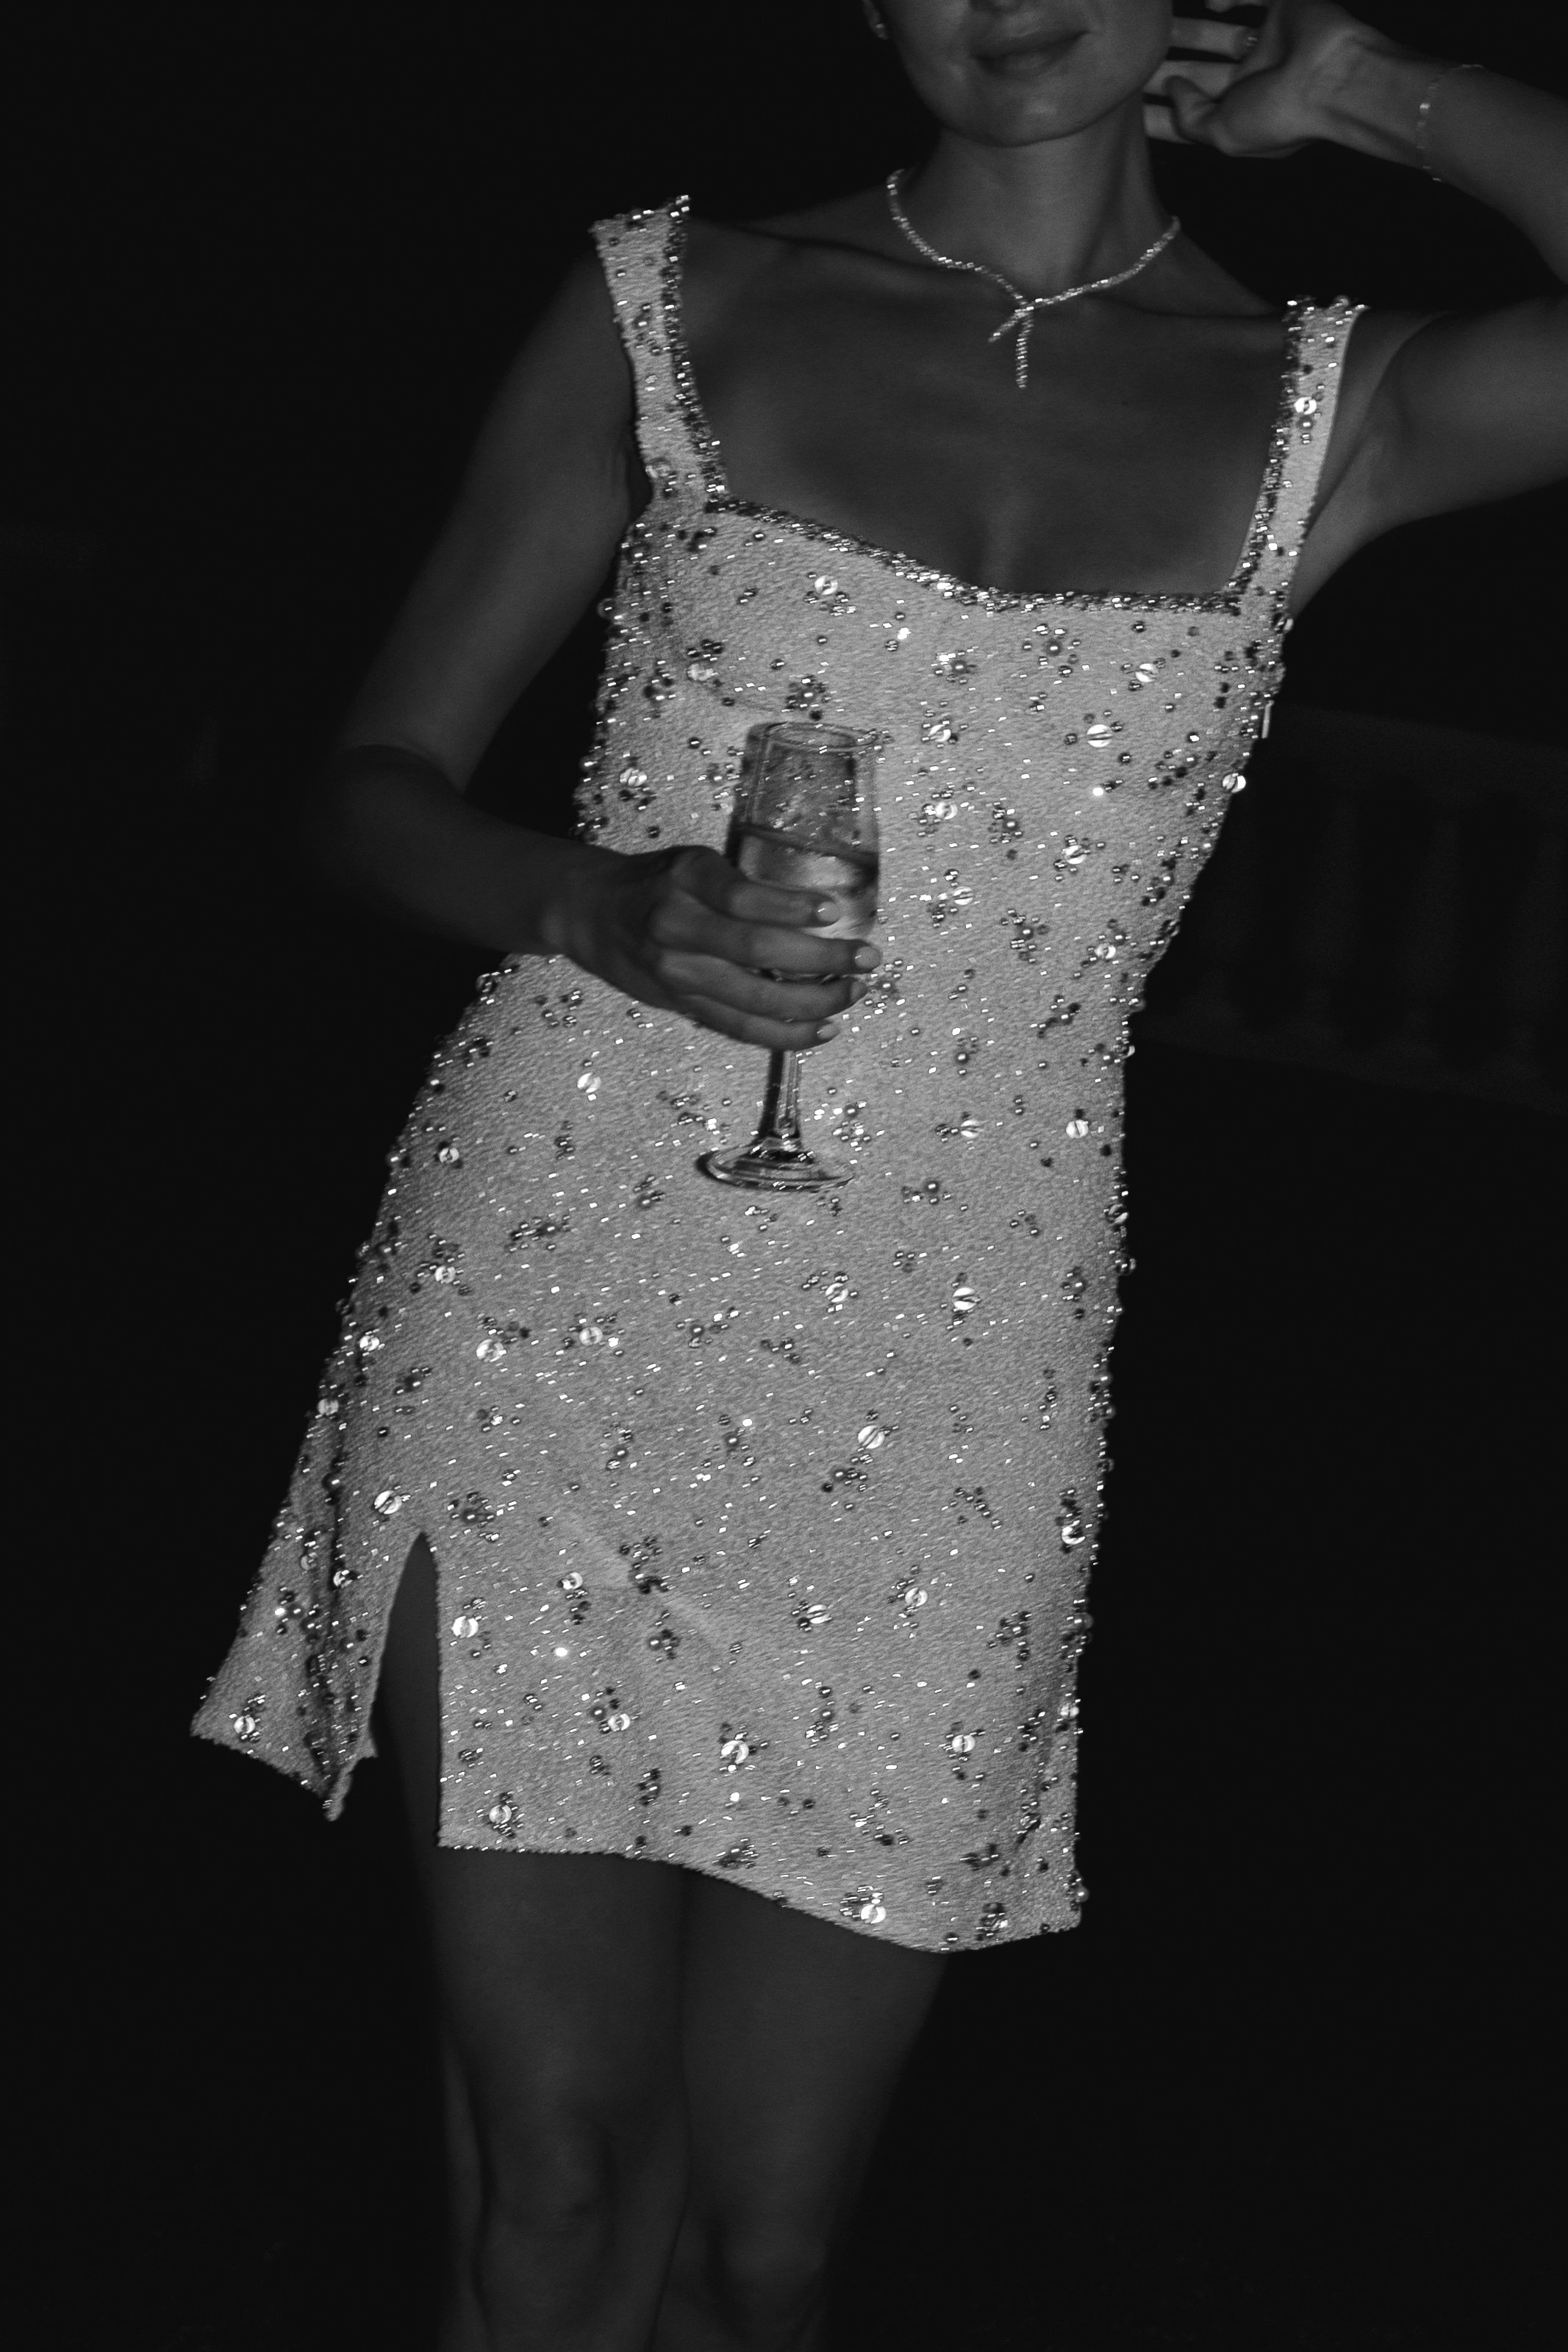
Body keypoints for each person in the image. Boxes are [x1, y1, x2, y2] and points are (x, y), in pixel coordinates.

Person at [193, 4, 1567, 2347]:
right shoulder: (680, 292)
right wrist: (591, 904)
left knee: (764, 2243)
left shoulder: (1341, 402)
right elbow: (362, 783)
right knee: (555, 2168)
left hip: (957, 1357)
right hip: (554, 1270)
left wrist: (1368, 93)